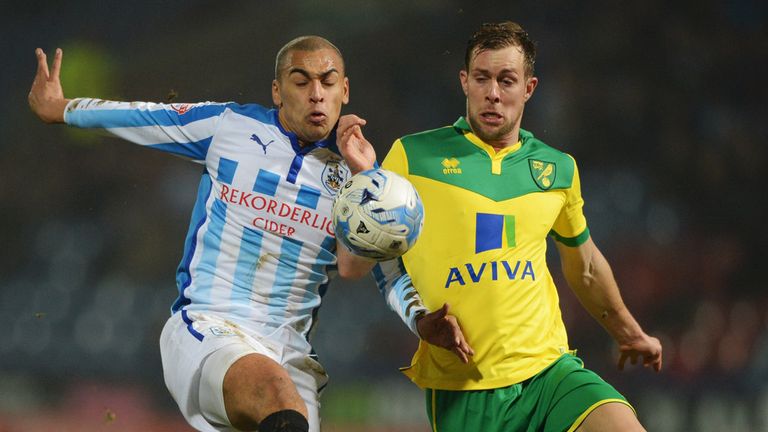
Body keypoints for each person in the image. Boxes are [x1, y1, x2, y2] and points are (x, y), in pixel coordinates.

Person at [28, 36, 379, 432]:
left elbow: (353, 268)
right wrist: (62, 109)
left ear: (344, 91)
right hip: (209, 329)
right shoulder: (229, 126)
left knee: (285, 403)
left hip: (291, 356)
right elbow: (145, 115)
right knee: (277, 398)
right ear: (278, 92)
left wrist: (365, 180)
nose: (316, 94)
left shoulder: (361, 176)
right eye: (301, 82)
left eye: (327, 82)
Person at [339, 21, 663, 431]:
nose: (493, 92)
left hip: (550, 371)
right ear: (464, 82)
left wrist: (630, 333)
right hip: (465, 385)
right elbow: (353, 266)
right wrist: (366, 182)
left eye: (507, 80)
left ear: (528, 88)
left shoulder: (558, 169)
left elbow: (584, 266)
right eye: (482, 78)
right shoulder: (414, 155)